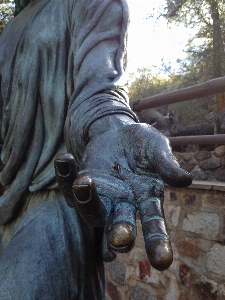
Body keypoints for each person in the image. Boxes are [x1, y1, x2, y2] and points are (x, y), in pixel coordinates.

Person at [0, 0, 192, 299]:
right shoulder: (11, 26)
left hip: (57, 201)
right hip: (7, 200)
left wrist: (114, 133)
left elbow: (99, 90)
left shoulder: (92, 3)